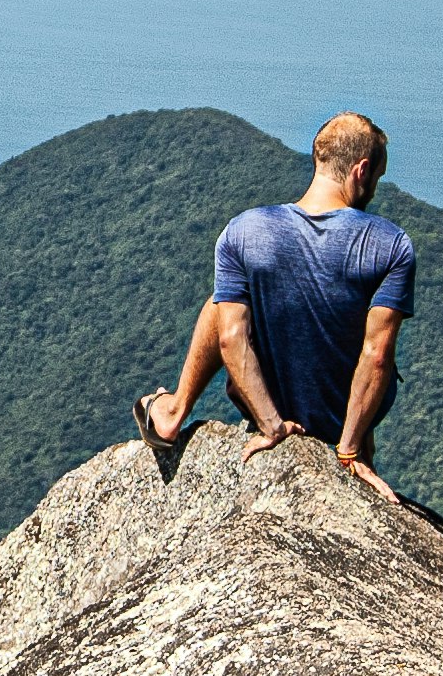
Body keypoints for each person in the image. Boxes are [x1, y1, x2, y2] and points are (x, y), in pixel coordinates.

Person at [136, 113, 415, 501]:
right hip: (339, 425)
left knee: (225, 304)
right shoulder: (390, 244)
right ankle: (359, 447)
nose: (374, 189)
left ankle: (173, 410)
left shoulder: (245, 231)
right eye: (377, 178)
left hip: (274, 410)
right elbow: (377, 354)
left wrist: (273, 427)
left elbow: (233, 339)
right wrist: (348, 451)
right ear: (361, 170)